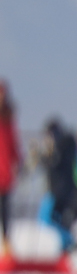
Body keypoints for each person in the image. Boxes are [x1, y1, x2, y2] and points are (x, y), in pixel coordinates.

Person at [35, 117, 77, 253]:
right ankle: (66, 244)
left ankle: (69, 240)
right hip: (63, 191)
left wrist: (42, 157)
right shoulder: (68, 147)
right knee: (58, 220)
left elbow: (54, 164)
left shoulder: (61, 147)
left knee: (46, 218)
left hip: (58, 192)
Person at [0, 79, 18, 259]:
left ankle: (6, 243)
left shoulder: (8, 118)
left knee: (5, 211)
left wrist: (17, 161)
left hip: (4, 172)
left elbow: (13, 143)